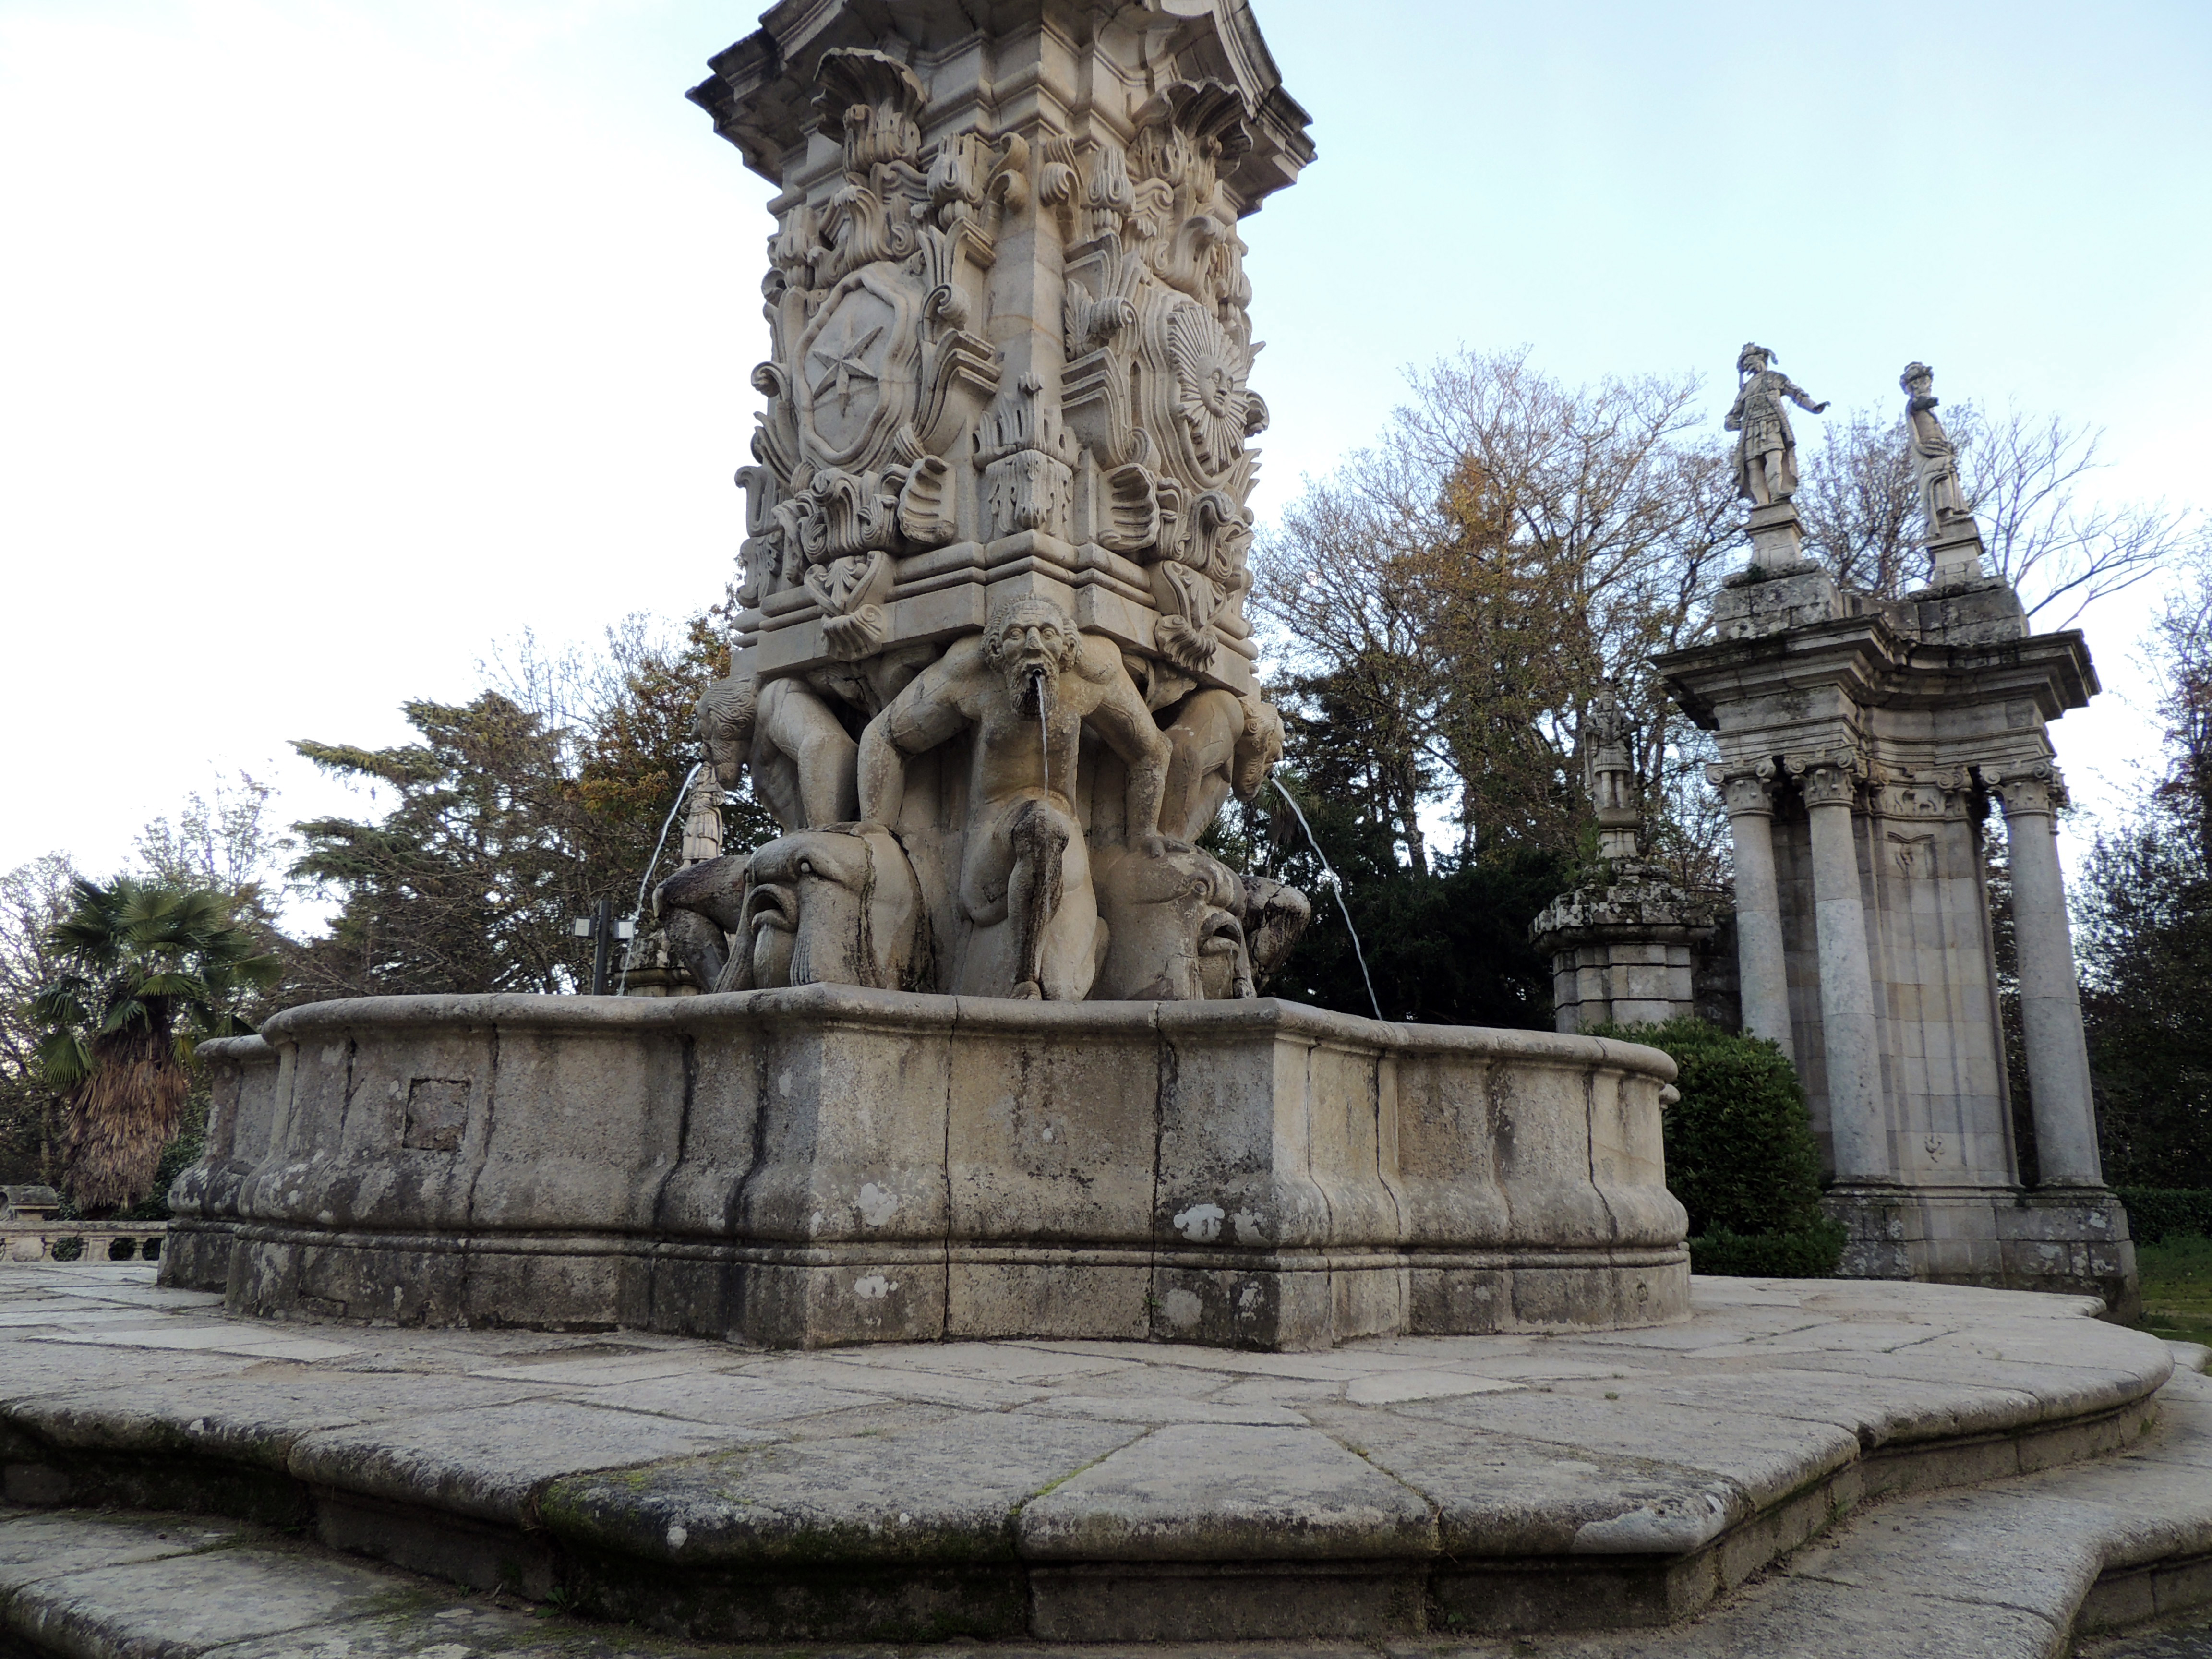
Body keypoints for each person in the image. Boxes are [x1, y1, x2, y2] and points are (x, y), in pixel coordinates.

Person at [857, 594, 1170, 998]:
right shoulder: (968, 671)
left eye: (1047, 633)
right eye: (1018, 634)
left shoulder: (1094, 673)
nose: (1034, 644)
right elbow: (883, 736)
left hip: (1066, 827)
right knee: (1039, 824)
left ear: (1067, 646)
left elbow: (1152, 750)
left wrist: (1144, 832)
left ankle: (1081, 944)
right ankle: (1025, 973)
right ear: (995, 648)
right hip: (992, 829)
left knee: (1063, 987)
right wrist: (876, 825)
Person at [1725, 343, 1829, 506]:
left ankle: (1776, 492)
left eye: (1751, 361)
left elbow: (1797, 394)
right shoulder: (1745, 390)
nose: (1749, 366)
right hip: (1751, 431)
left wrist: (1814, 407)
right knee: (1754, 465)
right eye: (1746, 365)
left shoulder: (1775, 378)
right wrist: (1740, 424)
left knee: (1774, 457)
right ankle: (1761, 502)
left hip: (1772, 425)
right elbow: (1731, 418)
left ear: (1761, 359)